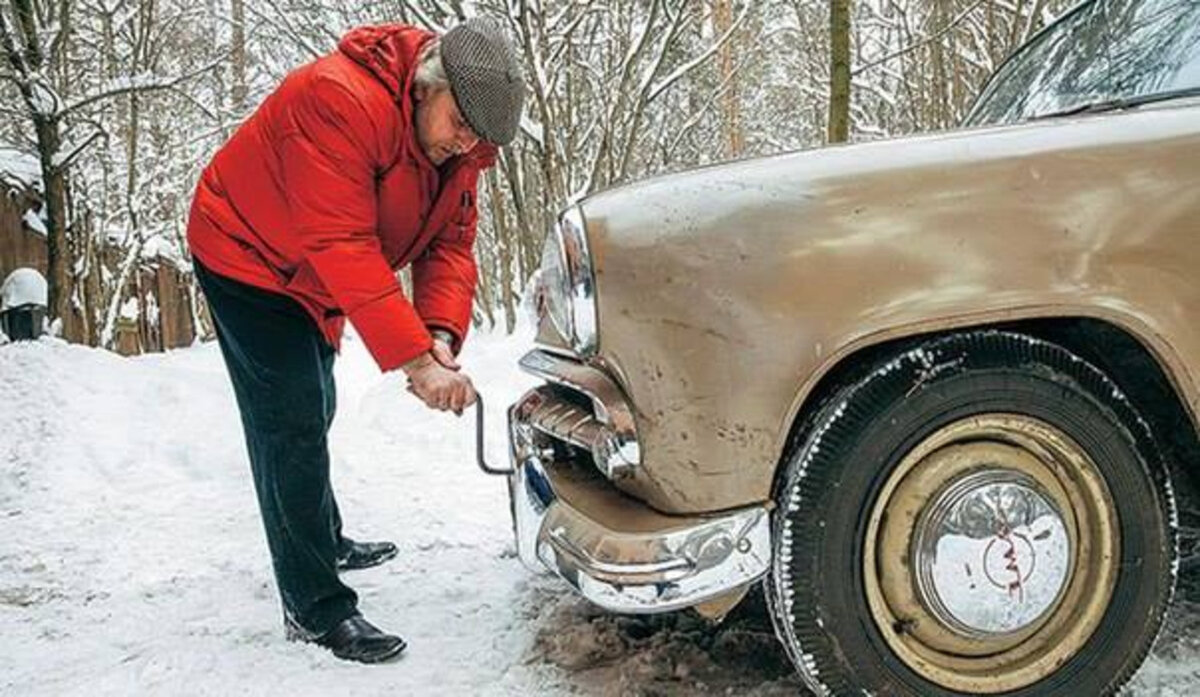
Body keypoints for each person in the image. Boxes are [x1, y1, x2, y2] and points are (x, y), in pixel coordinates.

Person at [185, 18, 524, 664]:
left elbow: (450, 244)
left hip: (311, 272)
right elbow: (344, 243)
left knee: (317, 400)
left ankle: (324, 534)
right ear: (428, 85)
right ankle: (316, 607)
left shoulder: (463, 144)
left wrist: (440, 332)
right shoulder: (336, 100)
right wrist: (415, 361)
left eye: (481, 134)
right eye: (461, 123)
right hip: (246, 252)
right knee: (289, 419)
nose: (468, 142)